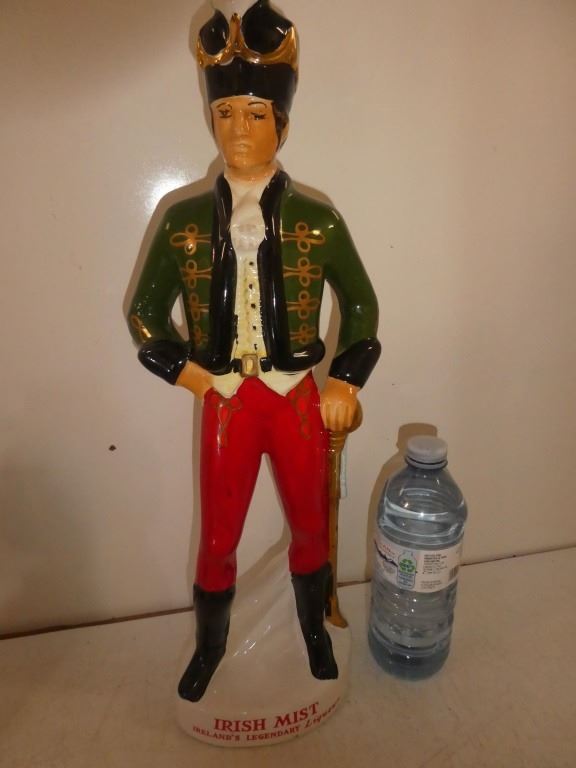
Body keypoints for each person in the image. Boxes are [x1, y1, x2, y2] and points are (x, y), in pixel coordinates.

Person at [127, 0, 380, 702]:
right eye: (226, 113)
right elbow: (144, 314)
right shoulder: (181, 220)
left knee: (310, 525)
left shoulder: (317, 220)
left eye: (256, 114)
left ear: (282, 124)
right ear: (210, 119)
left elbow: (361, 305)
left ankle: (313, 632)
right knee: (218, 536)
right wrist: (193, 377)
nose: (239, 128)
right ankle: (210, 647)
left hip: (296, 399)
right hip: (227, 401)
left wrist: (344, 381)